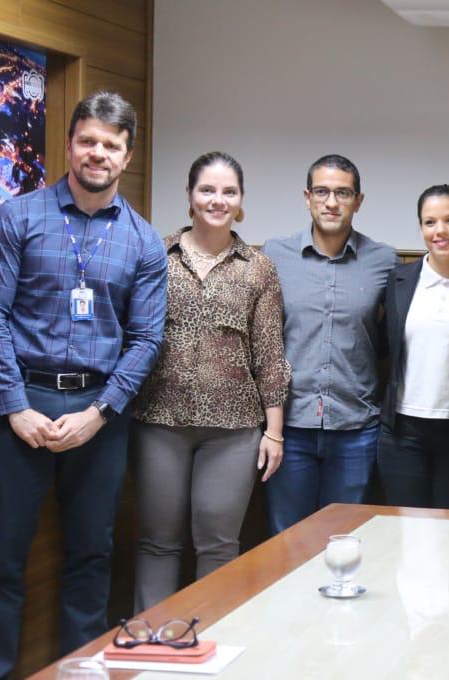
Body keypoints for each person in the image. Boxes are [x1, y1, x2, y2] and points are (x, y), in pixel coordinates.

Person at [0, 91, 167, 680]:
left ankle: (78, 674)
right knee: (0, 562)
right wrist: (15, 408)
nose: (97, 153)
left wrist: (99, 412)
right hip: (18, 407)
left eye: (111, 144)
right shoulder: (18, 217)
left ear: (126, 155)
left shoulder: (144, 241)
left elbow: (146, 339)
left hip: (98, 414)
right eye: (88, 141)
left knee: (90, 559)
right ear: (71, 144)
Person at [128, 151, 291, 611]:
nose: (217, 200)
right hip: (159, 421)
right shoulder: (156, 256)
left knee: (219, 544)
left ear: (240, 201)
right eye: (207, 190)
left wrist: (274, 432)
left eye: (228, 192)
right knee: (157, 541)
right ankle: (150, 647)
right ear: (189, 196)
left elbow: (270, 355)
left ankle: (212, 647)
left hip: (235, 430)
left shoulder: (258, 267)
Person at [263, 154, 397, 533]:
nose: (332, 202)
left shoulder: (384, 261)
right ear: (307, 197)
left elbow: (393, 341)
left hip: (355, 428)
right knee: (286, 543)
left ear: (359, 200)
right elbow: (264, 341)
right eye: (322, 191)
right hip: (290, 427)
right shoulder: (275, 255)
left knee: (344, 541)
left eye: (343, 193)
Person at [377, 185, 449, 510]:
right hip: (402, 434)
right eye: (430, 222)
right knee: (407, 534)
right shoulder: (398, 280)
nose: (440, 231)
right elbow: (383, 346)